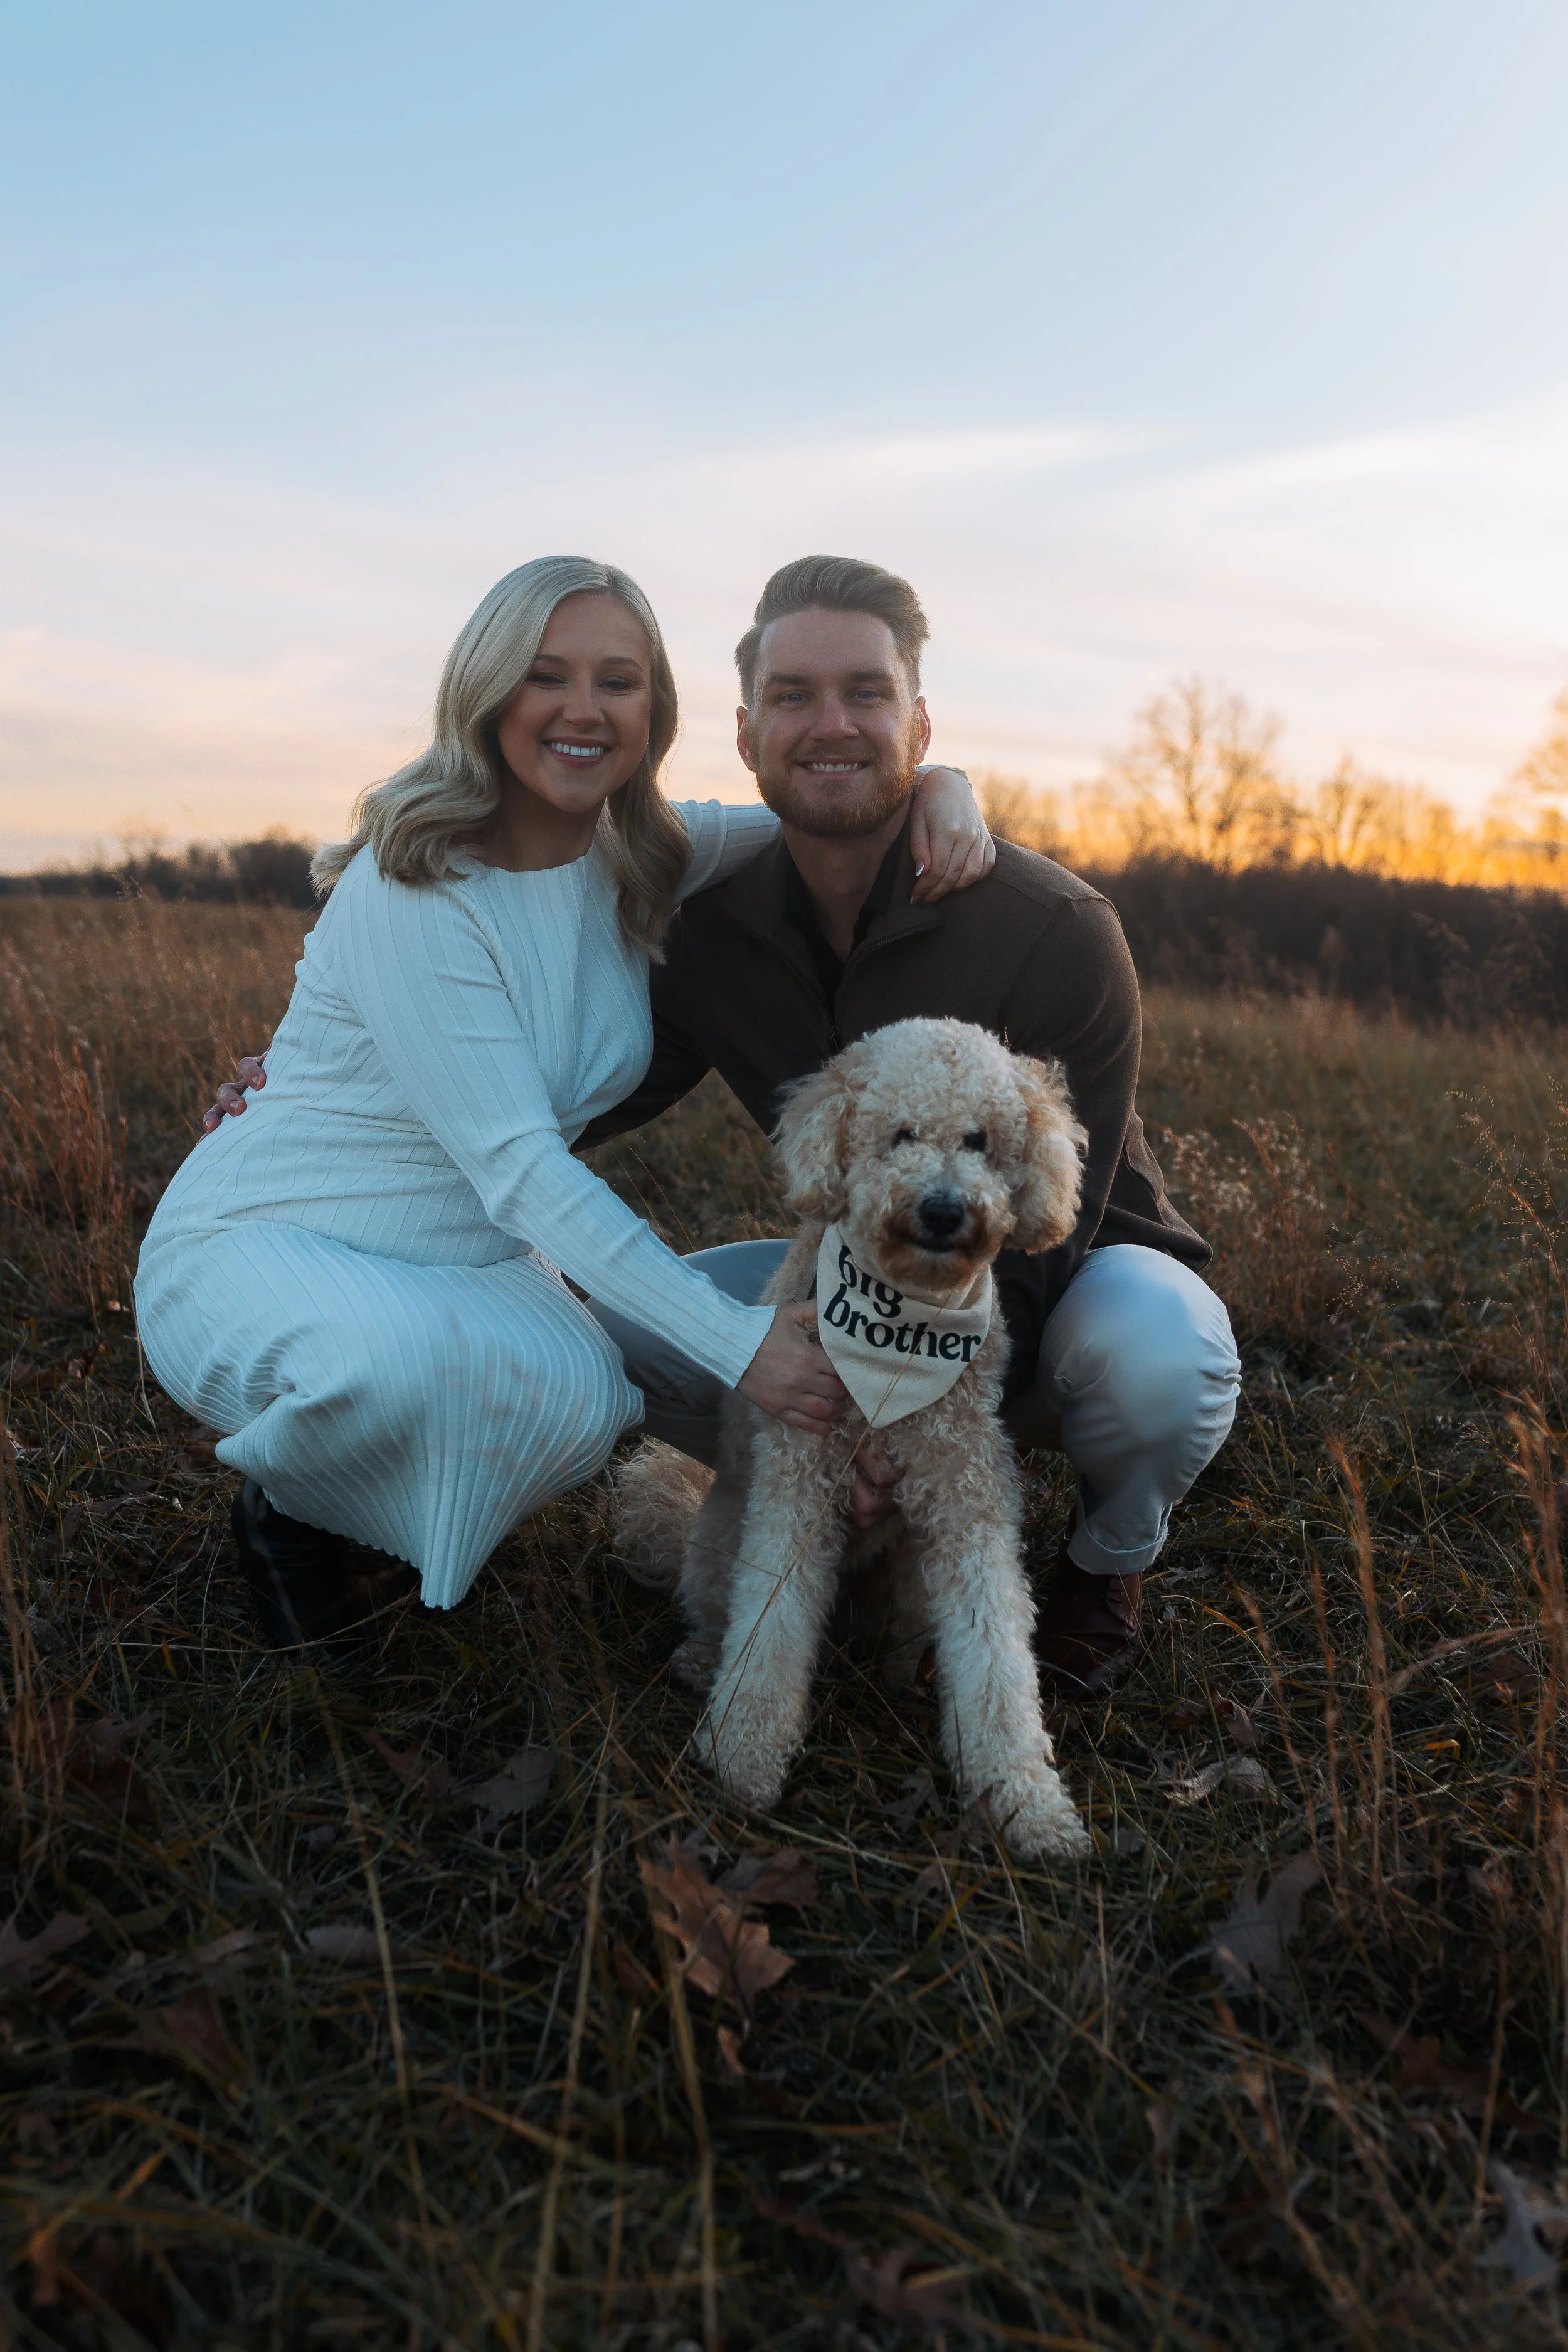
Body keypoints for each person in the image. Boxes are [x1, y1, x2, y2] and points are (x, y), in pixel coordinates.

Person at [212, 555, 1243, 1695]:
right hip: (853, 1274)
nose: (832, 724)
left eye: (868, 693)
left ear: (919, 722)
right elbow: (586, 1096)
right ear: (748, 737)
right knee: (602, 1331)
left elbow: (1055, 1231)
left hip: (1065, 1279)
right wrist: (350, 1088)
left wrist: (894, 1420)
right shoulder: (712, 909)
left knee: (1158, 1355)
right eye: (795, 697)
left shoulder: (1054, 927)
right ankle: (361, 1500)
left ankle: (1106, 1563)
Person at [139, 554, 992, 1646]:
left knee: (585, 1394)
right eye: (547, 675)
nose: (583, 709)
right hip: (275, 1232)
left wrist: (941, 781)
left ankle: (366, 1501)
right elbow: (521, 1169)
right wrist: (740, 1345)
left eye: (618, 680)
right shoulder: (415, 882)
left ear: (655, 708)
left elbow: (817, 799)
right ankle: (290, 1513)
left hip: (463, 1248)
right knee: (392, 1374)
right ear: (489, 692)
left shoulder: (642, 850)